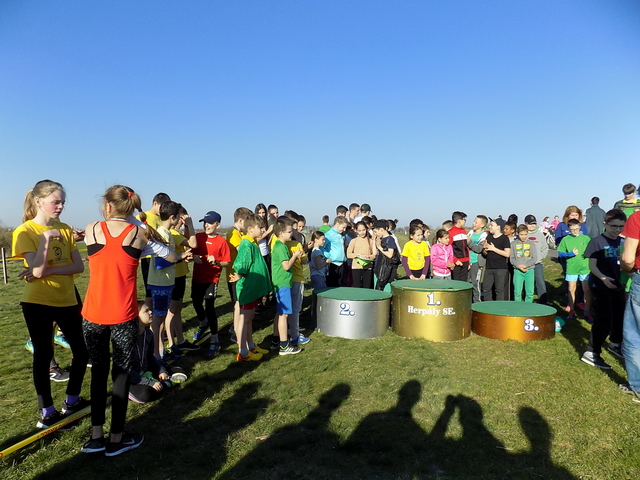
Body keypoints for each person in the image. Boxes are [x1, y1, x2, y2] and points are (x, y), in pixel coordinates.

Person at [81, 185, 178, 456]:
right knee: (120, 375)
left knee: (98, 373)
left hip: (92, 314)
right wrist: (144, 234)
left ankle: (96, 437)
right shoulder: (139, 234)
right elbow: (170, 256)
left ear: (107, 206)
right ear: (131, 207)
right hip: (123, 315)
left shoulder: (91, 229)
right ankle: (117, 438)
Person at [12, 179, 89, 429]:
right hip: (38, 302)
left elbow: (78, 266)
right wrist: (45, 240)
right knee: (43, 356)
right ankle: (47, 412)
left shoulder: (65, 229)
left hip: (67, 299)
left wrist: (47, 271)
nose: (60, 206)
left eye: (63, 202)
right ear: (38, 201)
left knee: (82, 352)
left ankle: (72, 400)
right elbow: (35, 270)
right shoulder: (24, 232)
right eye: (55, 202)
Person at [581, 209, 627, 370]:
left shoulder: (622, 242)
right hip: (600, 285)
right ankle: (591, 352)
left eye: (621, 226)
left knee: (619, 316)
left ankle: (615, 343)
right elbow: (592, 265)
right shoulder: (596, 242)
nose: (617, 230)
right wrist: (603, 278)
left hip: (617, 285)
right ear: (605, 224)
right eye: (614, 226)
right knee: (604, 319)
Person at [147, 201, 191, 361]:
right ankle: (156, 355)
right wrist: (179, 257)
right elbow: (159, 264)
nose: (180, 220)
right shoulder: (162, 235)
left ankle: (160, 353)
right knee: (158, 320)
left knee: (161, 318)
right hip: (160, 284)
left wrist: (179, 257)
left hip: (165, 283)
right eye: (179, 217)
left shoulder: (166, 233)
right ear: (173, 217)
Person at [128, 302, 187, 404]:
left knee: (180, 371)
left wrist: (161, 371)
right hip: (132, 377)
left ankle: (161, 382)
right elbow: (126, 370)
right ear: (136, 316)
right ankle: (164, 384)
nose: (151, 312)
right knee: (145, 394)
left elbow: (150, 357)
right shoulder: (128, 339)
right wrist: (150, 382)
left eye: (149, 310)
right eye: (146, 311)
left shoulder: (148, 334)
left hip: (146, 371)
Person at [232, 213, 272, 361]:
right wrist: (239, 273)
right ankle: (242, 352)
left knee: (249, 317)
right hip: (247, 288)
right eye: (260, 227)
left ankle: (251, 346)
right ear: (250, 229)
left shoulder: (252, 242)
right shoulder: (246, 244)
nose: (262, 230)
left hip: (252, 288)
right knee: (244, 319)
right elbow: (241, 263)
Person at [191, 211, 231, 355]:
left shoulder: (221, 241)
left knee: (209, 307)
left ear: (217, 225)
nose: (206, 225)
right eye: (205, 223)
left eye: (210, 223)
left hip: (211, 279)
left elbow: (227, 262)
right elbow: (190, 252)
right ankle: (203, 323)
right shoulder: (198, 237)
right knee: (196, 302)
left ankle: (215, 339)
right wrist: (193, 257)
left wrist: (216, 262)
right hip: (197, 277)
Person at [164, 205, 198, 358]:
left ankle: (180, 340)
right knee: (172, 311)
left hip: (179, 275)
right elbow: (193, 243)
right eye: (181, 218)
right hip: (175, 277)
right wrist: (190, 224)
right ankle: (171, 343)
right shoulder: (172, 233)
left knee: (177, 309)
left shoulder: (176, 233)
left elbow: (185, 242)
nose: (182, 221)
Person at [271, 216, 304, 355]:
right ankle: (284, 345)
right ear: (281, 233)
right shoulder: (281, 247)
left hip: (281, 283)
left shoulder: (279, 245)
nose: (292, 233)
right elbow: (286, 266)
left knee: (280, 313)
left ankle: (276, 340)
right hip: (283, 283)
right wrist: (295, 256)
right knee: (284, 315)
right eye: (289, 231)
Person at [620, 208, 640, 403]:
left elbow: (627, 258)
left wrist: (627, 269)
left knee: (634, 334)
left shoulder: (637, 218)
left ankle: (638, 386)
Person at [557, 219, 593, 321]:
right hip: (572, 268)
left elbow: (592, 250)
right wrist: (569, 254)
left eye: (576, 229)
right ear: (568, 229)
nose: (575, 231)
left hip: (585, 268)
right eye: (572, 229)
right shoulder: (565, 239)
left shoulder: (586, 238)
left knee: (586, 289)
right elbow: (560, 253)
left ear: (580, 227)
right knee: (571, 289)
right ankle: (572, 310)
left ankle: (587, 311)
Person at [482, 220, 511, 301]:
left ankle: (499, 307)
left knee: (499, 290)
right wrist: (485, 249)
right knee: (486, 289)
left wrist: (494, 249)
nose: (489, 227)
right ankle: (487, 306)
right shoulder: (489, 237)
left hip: (500, 268)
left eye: (492, 225)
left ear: (498, 227)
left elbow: (507, 254)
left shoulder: (504, 238)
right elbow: (485, 253)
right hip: (489, 267)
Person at [523, 215, 549, 305]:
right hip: (525, 264)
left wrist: (540, 257)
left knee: (540, 282)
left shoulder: (539, 234)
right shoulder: (523, 234)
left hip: (537, 264)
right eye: (530, 224)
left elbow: (545, 247)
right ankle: (525, 300)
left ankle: (543, 302)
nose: (532, 226)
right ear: (525, 224)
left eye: (534, 224)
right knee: (525, 283)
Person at [510, 225, 538, 303]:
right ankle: (517, 307)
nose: (523, 236)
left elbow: (534, 258)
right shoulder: (513, 244)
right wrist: (518, 266)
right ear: (517, 233)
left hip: (529, 270)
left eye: (525, 234)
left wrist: (526, 265)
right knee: (517, 292)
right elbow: (511, 258)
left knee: (530, 292)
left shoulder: (532, 244)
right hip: (518, 270)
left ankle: (528, 307)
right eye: (521, 234)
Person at [372, 220, 400, 291]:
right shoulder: (379, 239)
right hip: (379, 267)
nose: (375, 234)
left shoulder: (390, 239)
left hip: (387, 268)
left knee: (383, 288)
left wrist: (380, 247)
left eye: (375, 232)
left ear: (381, 230)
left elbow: (390, 254)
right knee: (378, 287)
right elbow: (374, 253)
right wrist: (374, 241)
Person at [347, 221, 376, 288]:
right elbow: (348, 254)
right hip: (356, 266)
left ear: (367, 229)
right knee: (356, 286)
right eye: (359, 231)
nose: (362, 232)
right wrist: (357, 255)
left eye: (363, 230)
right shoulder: (353, 241)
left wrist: (368, 257)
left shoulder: (371, 241)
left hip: (368, 266)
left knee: (367, 286)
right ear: (356, 230)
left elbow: (374, 255)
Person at [323, 216, 349, 287]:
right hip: (333, 264)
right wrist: (328, 256)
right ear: (337, 224)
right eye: (343, 227)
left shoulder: (340, 235)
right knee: (332, 285)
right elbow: (321, 247)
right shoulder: (328, 235)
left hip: (341, 263)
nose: (344, 230)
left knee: (340, 285)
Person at [467, 216, 488, 302]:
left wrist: (469, 242)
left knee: (475, 283)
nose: (473, 224)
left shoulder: (483, 235)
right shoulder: (470, 232)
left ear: (482, 225)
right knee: (466, 283)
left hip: (476, 262)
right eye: (474, 221)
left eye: (476, 222)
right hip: (468, 261)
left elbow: (479, 249)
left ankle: (477, 302)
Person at [448, 211, 470, 282]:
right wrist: (455, 260)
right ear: (459, 221)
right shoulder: (450, 232)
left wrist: (468, 261)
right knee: (456, 282)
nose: (465, 222)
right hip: (456, 262)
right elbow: (448, 249)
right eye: (464, 220)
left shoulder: (464, 231)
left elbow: (466, 247)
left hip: (465, 261)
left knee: (464, 282)